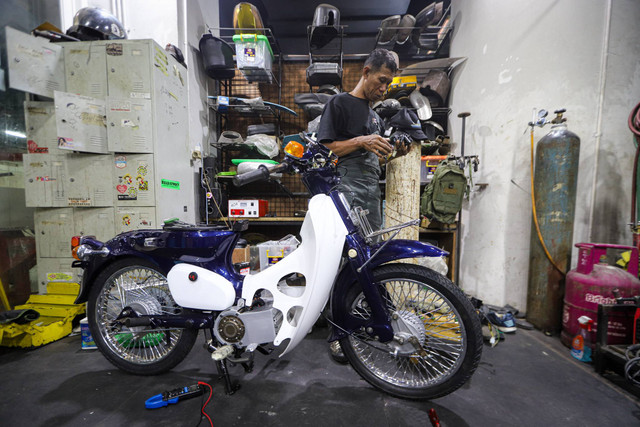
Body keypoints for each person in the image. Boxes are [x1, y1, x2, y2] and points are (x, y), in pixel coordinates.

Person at [316, 48, 410, 362]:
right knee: (346, 263)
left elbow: (373, 154)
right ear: (366, 70)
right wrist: (361, 141)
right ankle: (337, 333)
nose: (384, 89)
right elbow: (325, 151)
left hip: (370, 191)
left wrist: (393, 149)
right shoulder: (339, 103)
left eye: (388, 84)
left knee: (372, 260)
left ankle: (374, 320)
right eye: (382, 80)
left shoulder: (373, 114)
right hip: (346, 188)